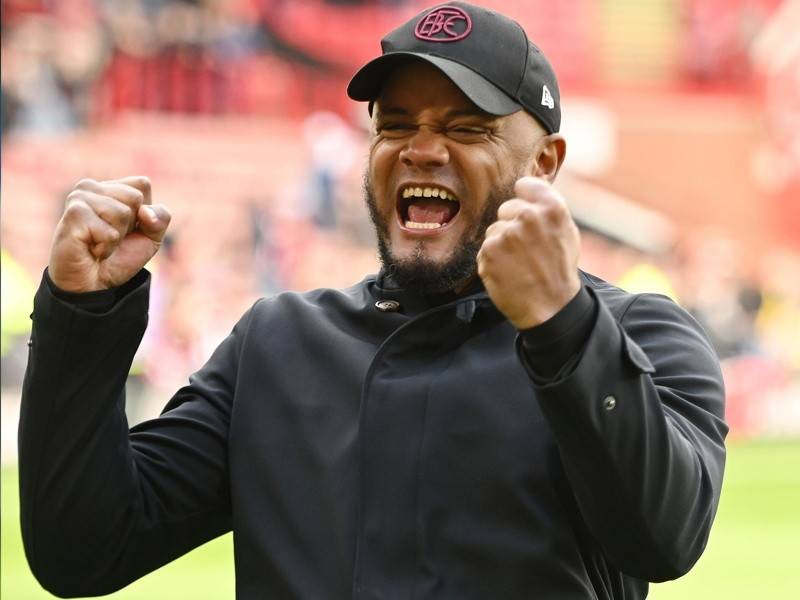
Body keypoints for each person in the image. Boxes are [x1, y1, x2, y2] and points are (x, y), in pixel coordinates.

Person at [19, 3, 727, 599]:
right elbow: (82, 551)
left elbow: (664, 537)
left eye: (464, 127)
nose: (421, 149)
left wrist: (563, 327)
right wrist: (81, 316)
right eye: (395, 124)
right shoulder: (279, 342)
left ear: (544, 163)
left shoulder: (635, 331)